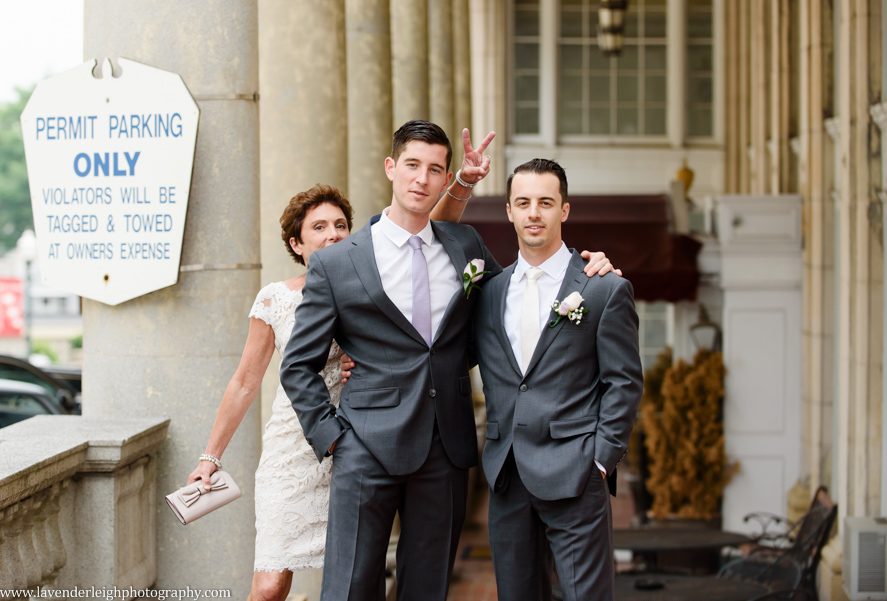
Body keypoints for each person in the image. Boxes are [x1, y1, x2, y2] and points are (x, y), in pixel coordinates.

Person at [279, 121, 617, 601]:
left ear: (444, 180)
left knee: (428, 588)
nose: (422, 178)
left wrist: (589, 273)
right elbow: (298, 364)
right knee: (349, 587)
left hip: (446, 448)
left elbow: (523, 303)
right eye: (412, 165)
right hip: (364, 448)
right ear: (391, 168)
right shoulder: (339, 263)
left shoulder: (465, 248)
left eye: (435, 169)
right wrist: (333, 439)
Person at [185, 164, 487, 601]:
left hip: (367, 442)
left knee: (358, 576)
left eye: (341, 225)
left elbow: (430, 240)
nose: (332, 234)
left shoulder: (372, 283)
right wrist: (210, 457)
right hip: (298, 449)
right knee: (270, 584)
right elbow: (245, 383)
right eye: (319, 227)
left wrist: (461, 184)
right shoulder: (276, 298)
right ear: (296, 242)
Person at [473, 158, 643, 601]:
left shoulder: (602, 288)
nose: (534, 213)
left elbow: (624, 382)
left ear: (563, 210)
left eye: (545, 202)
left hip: (575, 474)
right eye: (523, 202)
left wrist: (601, 460)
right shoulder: (489, 293)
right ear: (508, 211)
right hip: (507, 475)